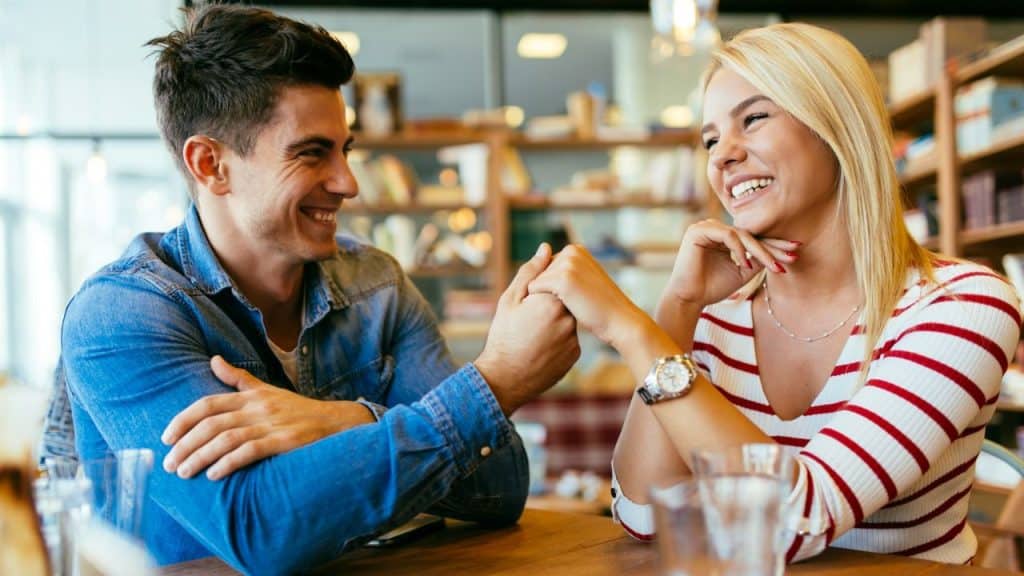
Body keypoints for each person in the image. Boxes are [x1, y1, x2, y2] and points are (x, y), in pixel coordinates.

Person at [53, 4, 579, 572]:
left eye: (345, 150)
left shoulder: (376, 285)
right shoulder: (120, 316)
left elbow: (500, 487)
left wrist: (341, 418)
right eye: (312, 153)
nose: (347, 183)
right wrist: (494, 382)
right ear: (211, 165)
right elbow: (262, 529)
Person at [526, 23, 1022, 564]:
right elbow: (646, 517)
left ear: (837, 125)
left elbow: (795, 519)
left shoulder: (962, 305)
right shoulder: (714, 320)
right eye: (711, 139)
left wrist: (629, 329)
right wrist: (679, 307)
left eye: (754, 119)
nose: (722, 157)